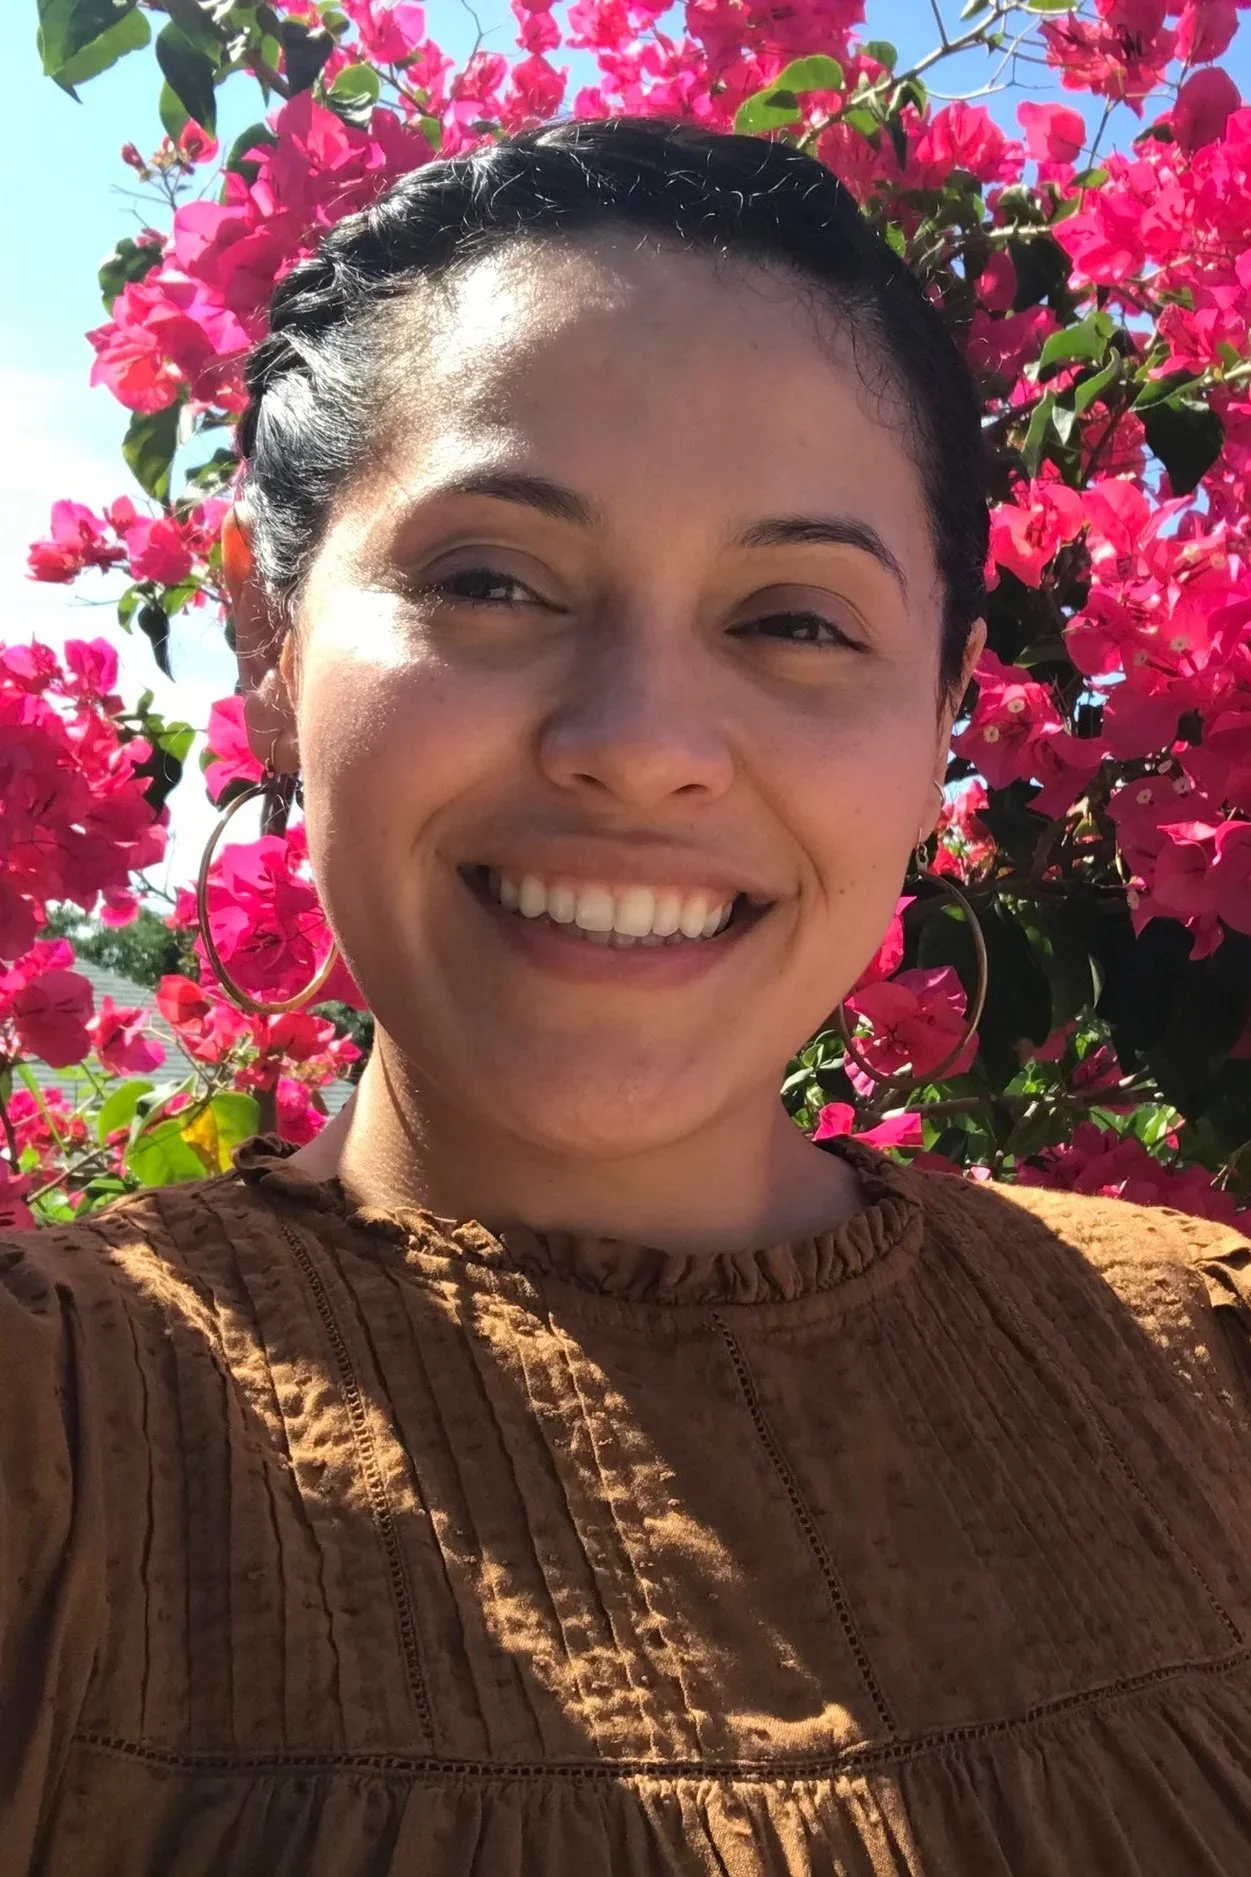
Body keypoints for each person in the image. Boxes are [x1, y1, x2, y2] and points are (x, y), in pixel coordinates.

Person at [3, 114, 1251, 1877]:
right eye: (490, 582)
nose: (642, 749)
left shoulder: (1205, 1358)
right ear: (269, 648)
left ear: (946, 709)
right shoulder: (57, 1447)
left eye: (796, 620)